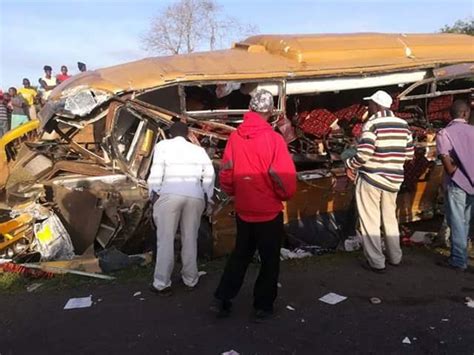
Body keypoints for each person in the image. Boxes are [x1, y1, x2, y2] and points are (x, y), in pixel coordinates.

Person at [213, 89, 297, 321]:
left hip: (244, 208)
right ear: (269, 111)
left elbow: (226, 172)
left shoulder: (235, 137)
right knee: (269, 261)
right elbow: (284, 177)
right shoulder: (274, 139)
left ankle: (223, 299)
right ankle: (262, 307)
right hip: (268, 211)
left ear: (250, 108)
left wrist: (235, 192)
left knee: (240, 255)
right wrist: (284, 195)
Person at [345, 90, 414, 273]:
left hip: (371, 178)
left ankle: (376, 261)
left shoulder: (372, 123)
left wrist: (351, 164)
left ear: (375, 106)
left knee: (370, 220)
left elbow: (365, 153)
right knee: (390, 218)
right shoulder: (404, 125)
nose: (368, 107)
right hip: (394, 180)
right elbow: (409, 155)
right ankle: (395, 256)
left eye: (370, 104)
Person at [147, 121, 215, 296]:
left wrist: (153, 193)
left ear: (170, 134)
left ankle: (161, 283)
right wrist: (207, 196)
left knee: (166, 239)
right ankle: (190, 279)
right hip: (195, 195)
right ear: (187, 134)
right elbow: (209, 173)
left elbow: (156, 171)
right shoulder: (198, 150)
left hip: (170, 193)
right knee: (190, 238)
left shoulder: (163, 146)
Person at [436, 100, 474, 271]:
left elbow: (446, 162)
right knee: (466, 221)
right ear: (465, 113)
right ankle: (462, 255)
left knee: (457, 221)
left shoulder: (444, 133)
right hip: (472, 182)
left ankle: (459, 259)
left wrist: (454, 167)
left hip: (457, 181)